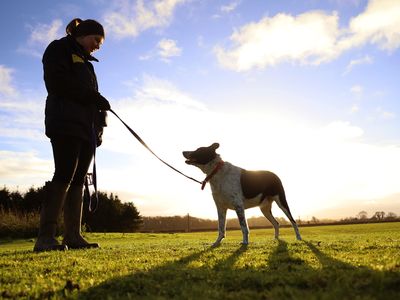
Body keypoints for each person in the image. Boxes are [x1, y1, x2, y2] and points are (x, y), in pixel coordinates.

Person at [34, 18, 111, 252]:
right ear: (84, 34)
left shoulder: (88, 65)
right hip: (64, 122)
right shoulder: (59, 48)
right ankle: (45, 238)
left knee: (79, 179)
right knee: (64, 173)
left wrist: (100, 122)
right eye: (96, 40)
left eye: (100, 42)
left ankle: (73, 236)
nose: (97, 45)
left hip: (86, 129)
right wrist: (91, 97)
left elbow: (91, 98)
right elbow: (56, 82)